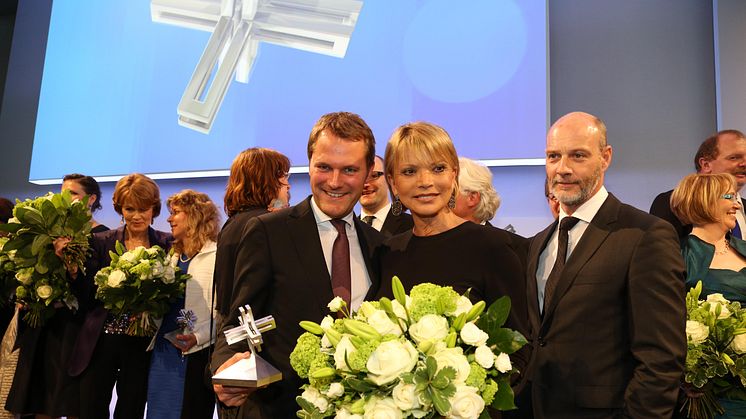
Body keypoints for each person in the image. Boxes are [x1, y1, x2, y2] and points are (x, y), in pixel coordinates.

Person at [211, 112, 384, 418]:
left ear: (369, 171)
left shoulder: (378, 245)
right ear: (310, 164)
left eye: (349, 170)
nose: (334, 181)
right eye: (324, 167)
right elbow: (238, 318)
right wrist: (226, 366)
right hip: (280, 408)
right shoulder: (269, 232)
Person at [520, 111, 686, 418]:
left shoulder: (645, 235)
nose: (562, 168)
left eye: (578, 155)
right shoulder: (539, 242)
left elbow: (661, 358)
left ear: (605, 157)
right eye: (553, 156)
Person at [375, 122, 528, 360]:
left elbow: (518, 347)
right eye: (409, 171)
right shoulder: (387, 253)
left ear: (453, 174)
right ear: (393, 183)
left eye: (438, 169)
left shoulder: (491, 247)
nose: (425, 181)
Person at [5, 174, 110, 418]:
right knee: (43, 399)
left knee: (72, 401)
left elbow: (94, 288)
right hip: (47, 325)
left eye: (73, 193)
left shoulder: (101, 236)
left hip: (77, 329)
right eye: (63, 192)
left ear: (91, 199)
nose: (66, 198)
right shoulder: (49, 232)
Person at [69, 173, 172, 419]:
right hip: (101, 342)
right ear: (120, 208)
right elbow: (85, 294)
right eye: (129, 208)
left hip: (141, 344)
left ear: (153, 209)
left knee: (131, 409)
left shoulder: (167, 244)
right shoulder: (100, 241)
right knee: (92, 407)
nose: (136, 216)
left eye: (143, 209)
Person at [671, 173, 746, 417]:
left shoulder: (743, 250)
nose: (736, 204)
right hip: (712, 393)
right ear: (704, 200)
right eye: (729, 196)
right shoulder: (678, 256)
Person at [147, 190, 220, 419]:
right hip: (165, 349)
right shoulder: (173, 256)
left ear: (195, 215)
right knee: (160, 410)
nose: (169, 219)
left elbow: (221, 309)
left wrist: (197, 337)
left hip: (197, 351)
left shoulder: (217, 255)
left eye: (176, 212)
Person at [214, 147, 291, 317]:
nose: (288, 184)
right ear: (265, 179)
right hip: (260, 329)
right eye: (283, 176)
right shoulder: (266, 225)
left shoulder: (232, 224)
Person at [650, 130, 746, 242]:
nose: (744, 163)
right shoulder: (673, 203)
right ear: (705, 164)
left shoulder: (743, 206)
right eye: (734, 157)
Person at [453, 156, 529, 267]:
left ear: (472, 197)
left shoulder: (515, 248)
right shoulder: (433, 244)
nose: (440, 197)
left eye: (451, 191)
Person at [359, 155, 413, 237]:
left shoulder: (412, 226)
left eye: (374, 176)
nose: (365, 184)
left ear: (389, 181)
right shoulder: (346, 229)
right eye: (361, 177)